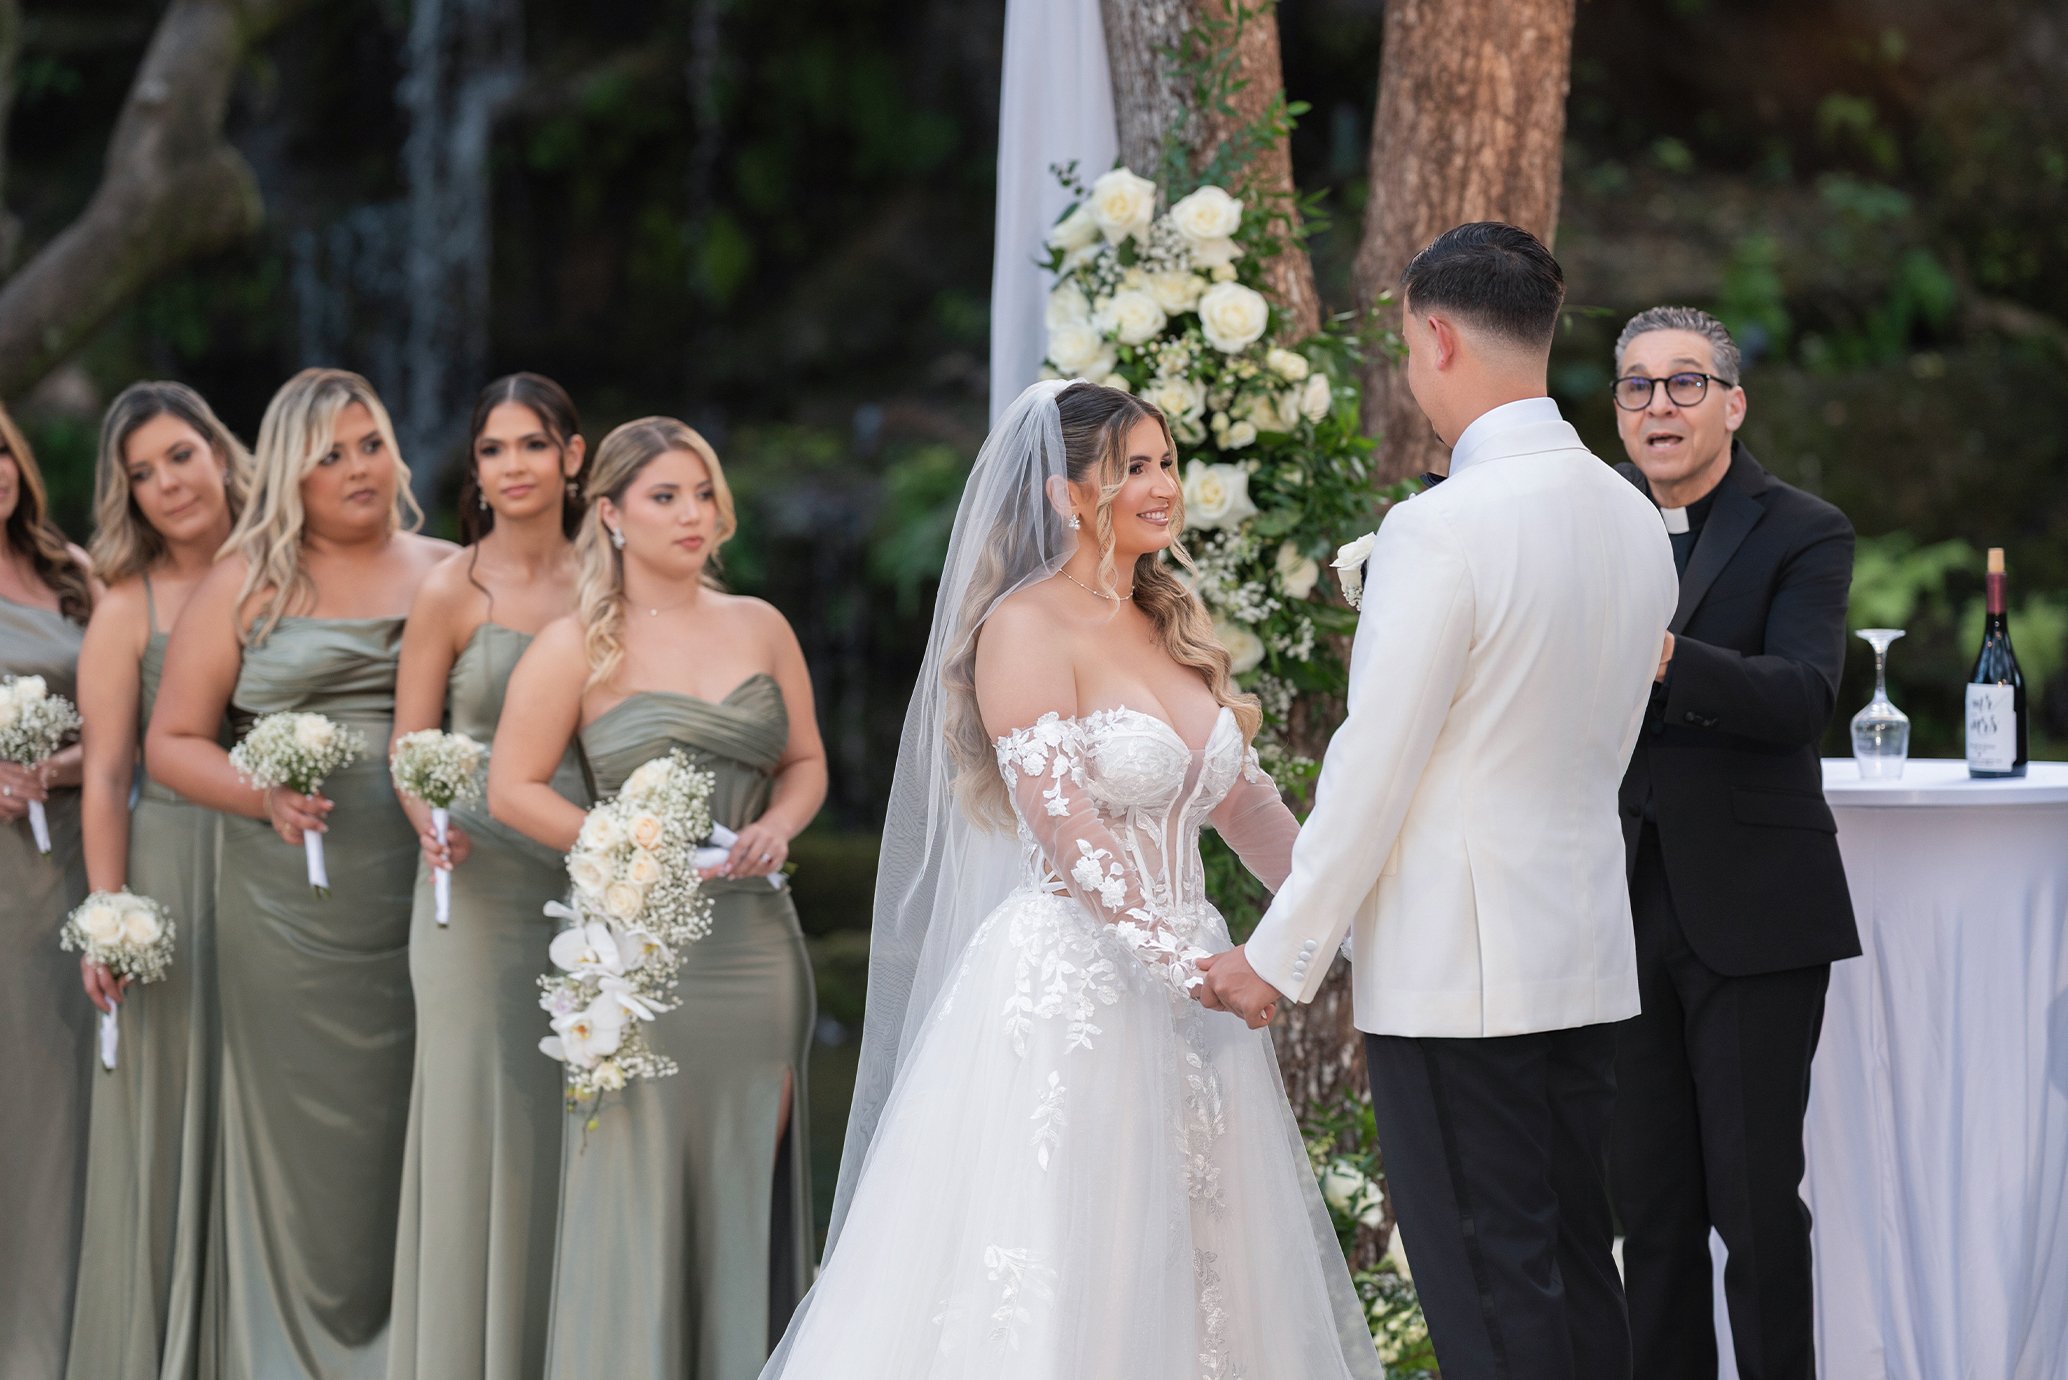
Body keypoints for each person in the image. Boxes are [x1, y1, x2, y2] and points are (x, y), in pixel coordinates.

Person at [758, 380, 1381, 1380]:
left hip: (1199, 991)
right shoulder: (1024, 627)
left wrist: (1345, 922)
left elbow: (1247, 808)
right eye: (1131, 466)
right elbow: (1065, 826)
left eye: (1167, 463)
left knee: (1204, 1263)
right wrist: (1189, 966)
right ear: (1062, 492)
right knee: (1079, 1248)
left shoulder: (1169, 618)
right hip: (1076, 987)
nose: (1161, 484)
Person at [1204, 223, 1679, 1380]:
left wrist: (1280, 952)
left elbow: (1378, 763)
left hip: (1458, 967)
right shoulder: (1635, 518)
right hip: (1579, 943)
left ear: (1435, 335)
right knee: (1570, 1259)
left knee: (1483, 1273)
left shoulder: (1439, 528)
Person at [490, 416, 822, 1380]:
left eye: (703, 493)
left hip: (759, 944)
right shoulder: (571, 647)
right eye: (664, 496)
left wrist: (781, 827)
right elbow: (513, 788)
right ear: (610, 515)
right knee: (635, 1183)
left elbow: (804, 761)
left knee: (744, 1185)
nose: (691, 514)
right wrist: (625, 846)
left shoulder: (762, 624)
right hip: (638, 956)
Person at [148, 367, 452, 1379]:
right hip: (286, 911)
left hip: (436, 899)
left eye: (370, 443)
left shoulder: (451, 570)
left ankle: (425, 1348)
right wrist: (260, 795)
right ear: (290, 472)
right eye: (330, 455)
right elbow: (174, 742)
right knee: (302, 1142)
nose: (358, 469)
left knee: (421, 1123)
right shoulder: (243, 582)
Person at [1606, 305, 1858, 1380]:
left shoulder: (1803, 528)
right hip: (1613, 903)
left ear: (1732, 401)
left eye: (1684, 383)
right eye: (1636, 386)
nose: (1658, 405)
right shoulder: (1589, 524)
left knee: (1755, 1213)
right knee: (1648, 1217)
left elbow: (1801, 695)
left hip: (1754, 911)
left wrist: (1660, 656)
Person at [384, 373, 589, 1380]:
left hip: (591, 885)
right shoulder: (450, 589)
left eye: (532, 446)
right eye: (494, 450)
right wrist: (428, 822)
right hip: (469, 885)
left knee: (580, 1109)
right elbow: (408, 741)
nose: (512, 467)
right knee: (476, 1120)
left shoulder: (612, 577)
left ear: (575, 457)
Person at [68, 383, 249, 1380]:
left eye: (179, 455)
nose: (167, 483)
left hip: (294, 869)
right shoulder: (125, 607)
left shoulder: (294, 567)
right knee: (168, 1103)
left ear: (219, 452)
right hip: (174, 868)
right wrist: (109, 915)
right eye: (142, 474)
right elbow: (104, 774)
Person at [0, 400, 97, 1379]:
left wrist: (59, 769)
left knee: (61, 1098)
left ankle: (57, 1341)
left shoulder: (73, 576)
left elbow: (134, 715)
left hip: (67, 862)